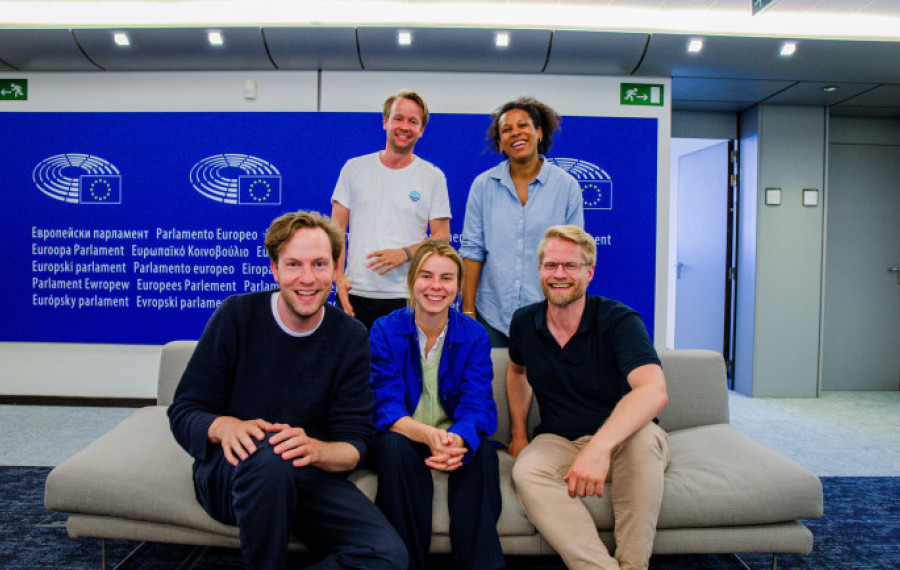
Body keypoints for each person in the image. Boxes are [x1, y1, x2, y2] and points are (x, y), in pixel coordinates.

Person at [167, 210, 407, 570]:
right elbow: (185, 410)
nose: (307, 278)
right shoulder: (237, 316)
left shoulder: (351, 336)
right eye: (293, 264)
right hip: (233, 473)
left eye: (319, 264)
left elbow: (355, 443)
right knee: (269, 458)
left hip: (306, 473)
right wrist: (225, 426)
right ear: (275, 269)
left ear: (334, 269)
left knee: (387, 556)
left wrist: (315, 449)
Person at [507, 225, 669, 570]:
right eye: (551, 265)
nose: (559, 274)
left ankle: (633, 565)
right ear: (539, 270)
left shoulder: (619, 320)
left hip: (626, 438)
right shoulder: (524, 321)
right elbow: (517, 371)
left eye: (571, 266)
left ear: (589, 272)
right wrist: (519, 434)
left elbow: (653, 391)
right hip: (559, 438)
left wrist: (599, 448)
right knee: (527, 471)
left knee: (642, 444)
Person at [368, 240, 504, 570]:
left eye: (446, 278)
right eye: (426, 276)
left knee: (483, 454)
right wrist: (426, 436)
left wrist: (457, 438)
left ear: (457, 287)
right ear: (412, 280)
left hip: (452, 437)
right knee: (394, 450)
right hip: (404, 434)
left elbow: (478, 404)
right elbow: (385, 404)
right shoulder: (384, 330)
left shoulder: (473, 334)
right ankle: (405, 563)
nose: (435, 286)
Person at [459, 96, 584, 347]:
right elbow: (472, 251)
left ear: (538, 132)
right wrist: (469, 311)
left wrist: (569, 312)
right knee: (488, 385)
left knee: (542, 386)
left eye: (523, 125)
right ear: (500, 144)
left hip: (548, 314)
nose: (515, 133)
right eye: (506, 129)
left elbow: (573, 256)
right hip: (491, 316)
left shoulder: (566, 186)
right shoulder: (483, 186)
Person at [331, 89, 452, 331]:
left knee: (404, 369)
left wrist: (404, 253)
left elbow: (442, 237)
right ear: (385, 121)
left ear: (421, 130)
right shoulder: (353, 169)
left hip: (407, 295)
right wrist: (339, 279)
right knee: (356, 368)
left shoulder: (433, 177)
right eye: (398, 118)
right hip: (356, 293)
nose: (404, 126)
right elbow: (335, 230)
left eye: (413, 121)